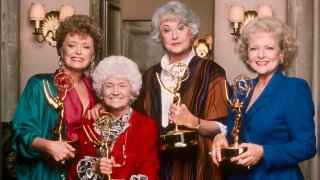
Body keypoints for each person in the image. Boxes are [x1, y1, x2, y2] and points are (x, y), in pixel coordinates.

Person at [210, 16, 317, 179]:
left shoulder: (294, 88)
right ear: (247, 55)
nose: (261, 55)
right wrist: (220, 137)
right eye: (254, 48)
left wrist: (263, 152)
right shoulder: (240, 89)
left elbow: (307, 146)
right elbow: (234, 132)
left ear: (281, 53)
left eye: (269, 48)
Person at [132, 1, 229, 179]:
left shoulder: (211, 71)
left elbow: (225, 127)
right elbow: (136, 121)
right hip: (157, 167)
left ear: (191, 31)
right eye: (167, 30)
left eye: (181, 28)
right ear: (159, 36)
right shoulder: (149, 76)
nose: (174, 36)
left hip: (199, 167)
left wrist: (194, 122)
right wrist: (103, 107)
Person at [11, 14, 103, 179]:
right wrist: (48, 146)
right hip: (47, 172)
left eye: (86, 47)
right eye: (71, 45)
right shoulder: (39, 85)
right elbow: (21, 134)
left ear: (93, 55)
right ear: (61, 49)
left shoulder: (97, 90)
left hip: (85, 173)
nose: (78, 52)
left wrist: (104, 107)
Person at [71, 56, 159, 180]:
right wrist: (94, 167)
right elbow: (73, 168)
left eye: (122, 86)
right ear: (101, 90)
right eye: (109, 85)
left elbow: (150, 173)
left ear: (132, 90)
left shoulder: (146, 126)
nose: (115, 92)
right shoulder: (89, 123)